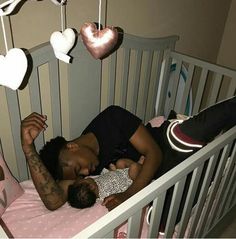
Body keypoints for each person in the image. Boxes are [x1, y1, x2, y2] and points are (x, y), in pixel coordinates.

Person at [20, 96, 236, 212]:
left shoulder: (111, 119)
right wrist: (28, 147)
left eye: (78, 168)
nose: (86, 173)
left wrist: (130, 195)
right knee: (165, 211)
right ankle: (216, 158)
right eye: (80, 176)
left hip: (166, 145)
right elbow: (53, 202)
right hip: (158, 178)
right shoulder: (78, 176)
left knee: (185, 136)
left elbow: (154, 153)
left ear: (71, 147)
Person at [67, 158, 143, 209]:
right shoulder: (104, 196)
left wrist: (111, 171)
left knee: (120, 162)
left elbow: (104, 176)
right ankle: (142, 166)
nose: (85, 178)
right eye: (84, 180)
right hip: (130, 179)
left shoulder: (94, 183)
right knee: (134, 167)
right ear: (91, 187)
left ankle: (138, 167)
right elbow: (120, 190)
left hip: (119, 172)